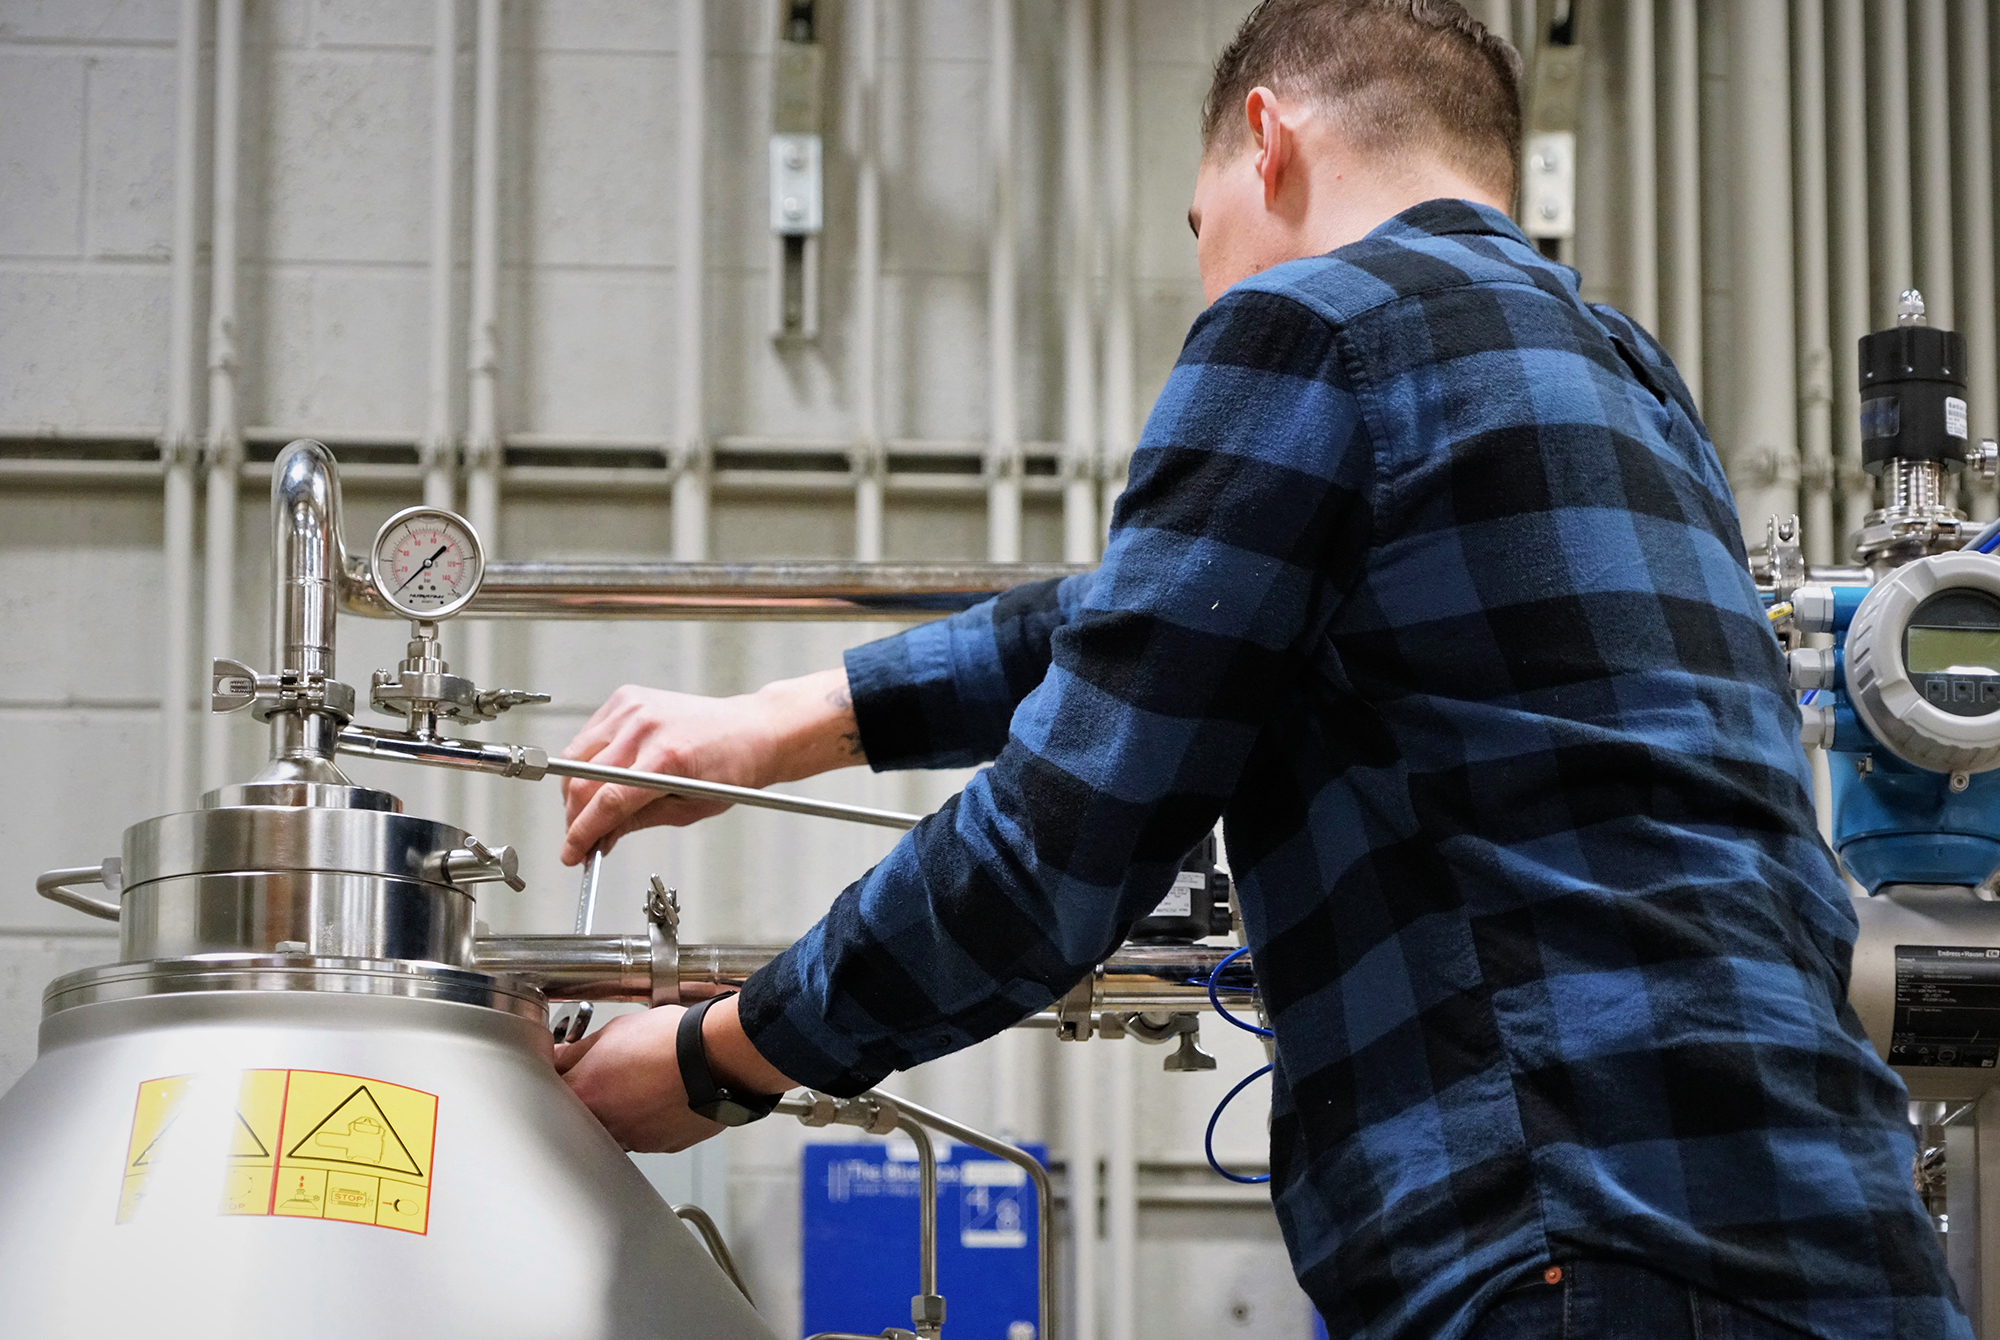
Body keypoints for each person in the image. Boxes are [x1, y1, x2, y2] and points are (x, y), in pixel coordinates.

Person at [549, 2, 1968, 1336]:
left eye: (1199, 222)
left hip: (1573, 1236)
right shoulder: (1626, 384)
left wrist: (718, 1061)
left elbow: (1054, 855)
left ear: (1271, 139)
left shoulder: (1310, 325)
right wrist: (791, 721)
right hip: (1847, 1233)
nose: (1206, 270)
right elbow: (1163, 606)